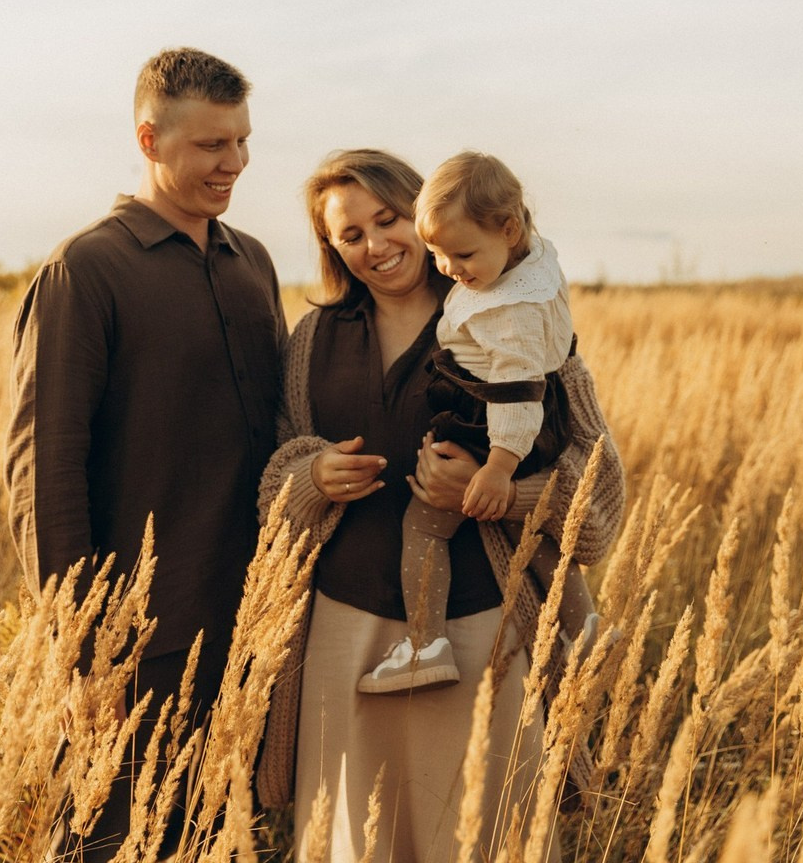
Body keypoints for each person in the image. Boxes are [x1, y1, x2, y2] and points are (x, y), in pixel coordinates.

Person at [254, 149, 625, 862]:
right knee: (358, 843)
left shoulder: (517, 321)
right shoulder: (314, 341)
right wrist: (312, 478)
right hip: (345, 633)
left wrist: (504, 495)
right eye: (350, 234)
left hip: (483, 631)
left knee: (488, 837)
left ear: (421, 216)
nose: (375, 245)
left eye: (387, 220)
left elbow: (601, 487)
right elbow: (271, 483)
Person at [5, 47, 287, 862]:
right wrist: (80, 645)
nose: (233, 163)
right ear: (149, 140)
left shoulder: (253, 263)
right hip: (136, 641)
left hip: (248, 627)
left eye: (241, 141)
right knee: (113, 844)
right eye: (210, 146)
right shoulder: (87, 269)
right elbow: (44, 470)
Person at [358, 150, 598, 694]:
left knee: (424, 525)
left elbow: (515, 390)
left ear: (509, 228)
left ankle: (424, 644)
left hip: (494, 422)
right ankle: (585, 628)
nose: (449, 268)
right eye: (439, 253)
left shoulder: (506, 309)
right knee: (530, 531)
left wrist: (497, 468)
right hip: (536, 418)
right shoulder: (528, 263)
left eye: (461, 253)